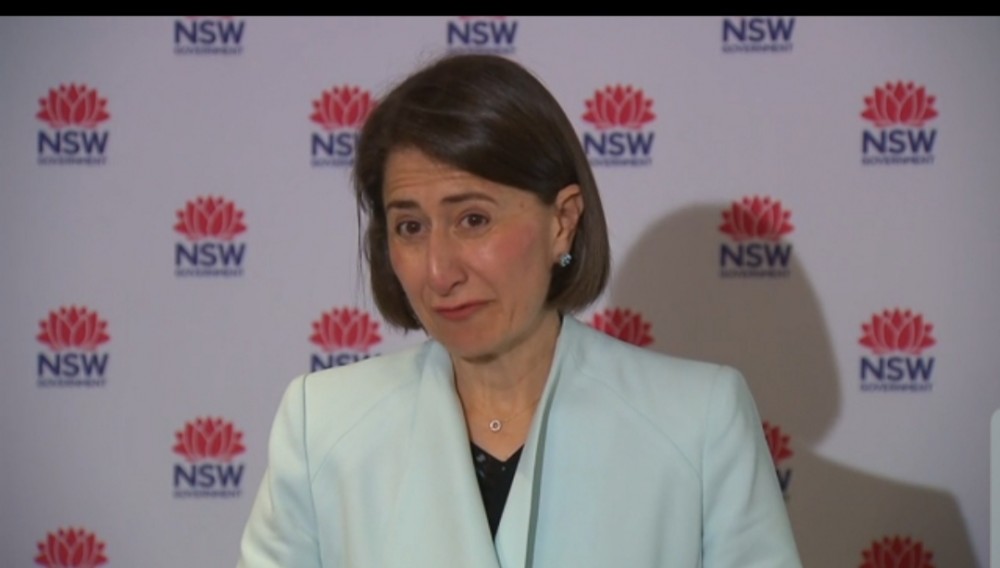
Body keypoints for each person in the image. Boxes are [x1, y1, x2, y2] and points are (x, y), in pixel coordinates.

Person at [237, 53, 802, 568]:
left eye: (473, 220)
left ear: (563, 222)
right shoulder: (322, 425)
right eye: (409, 227)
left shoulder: (698, 422)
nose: (439, 271)